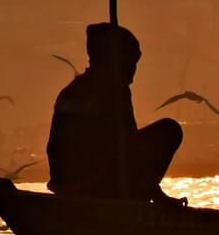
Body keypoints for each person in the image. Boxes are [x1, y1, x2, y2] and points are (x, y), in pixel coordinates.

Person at [47, 22, 183, 200]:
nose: (132, 74)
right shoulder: (115, 91)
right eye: (130, 64)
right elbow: (128, 145)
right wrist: (154, 193)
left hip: (63, 182)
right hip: (91, 182)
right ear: (114, 60)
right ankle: (141, 193)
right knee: (170, 130)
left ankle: (138, 190)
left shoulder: (70, 90)